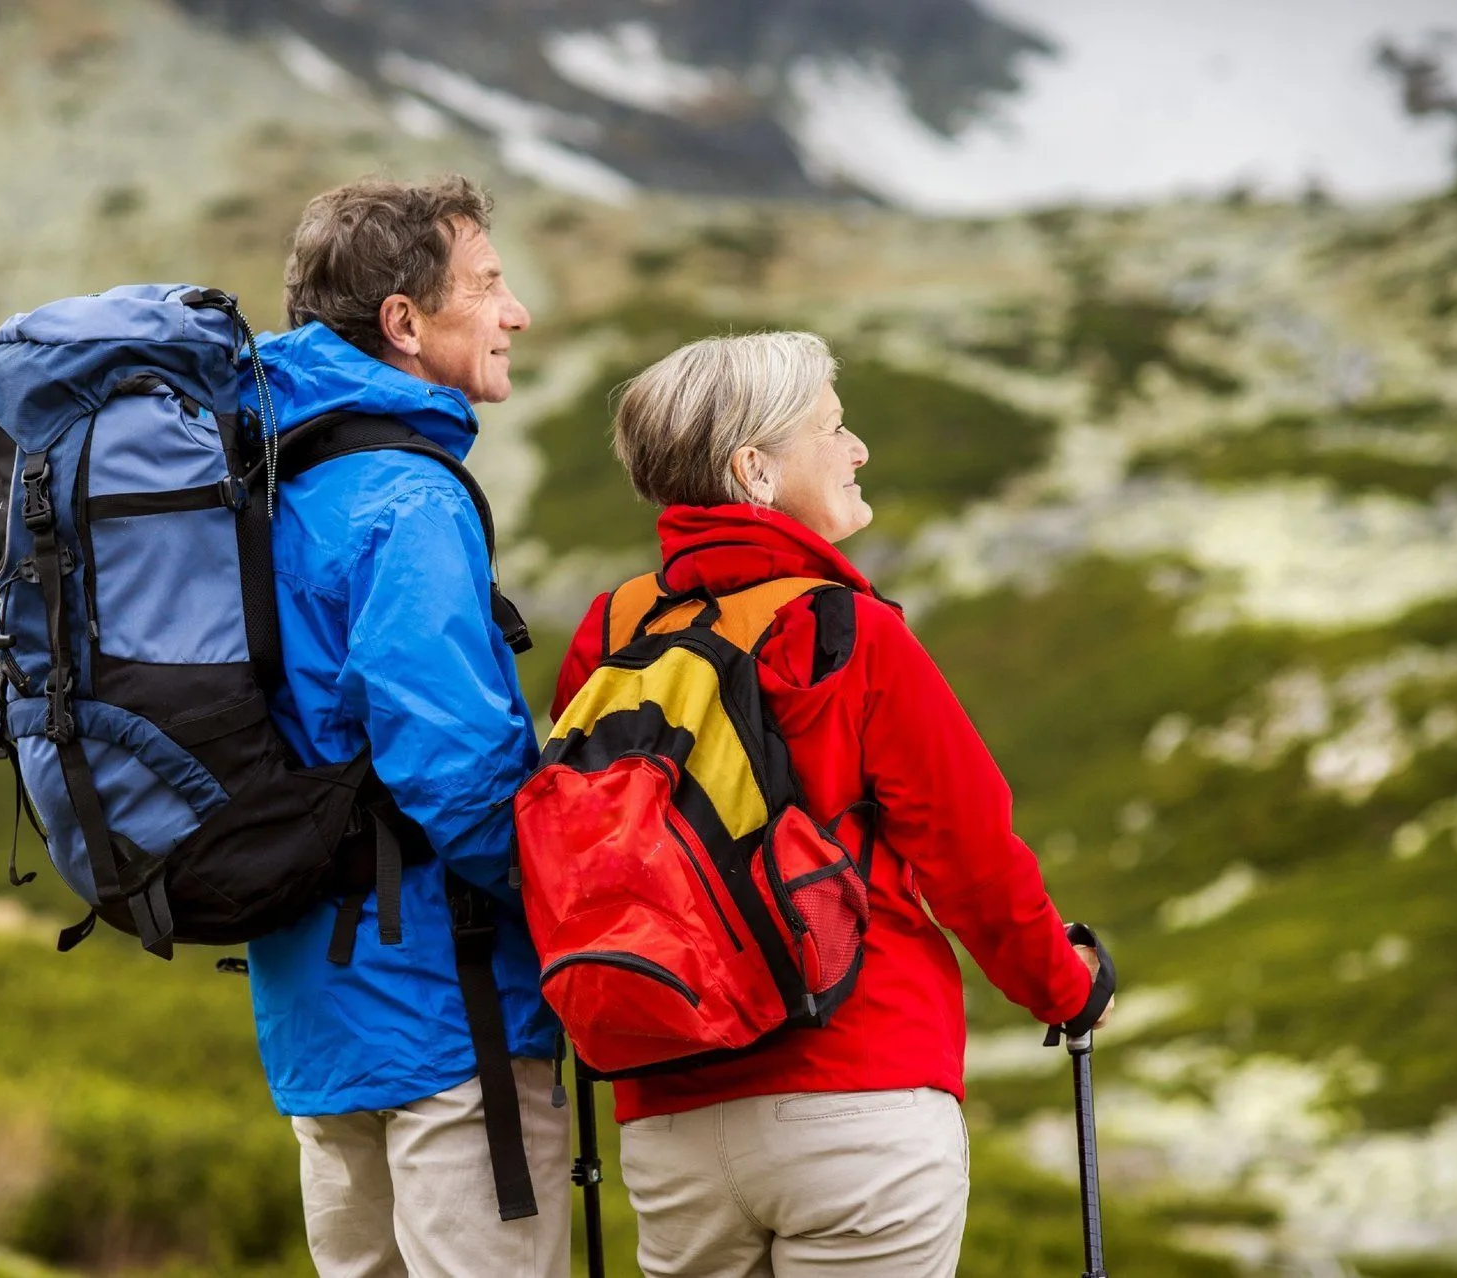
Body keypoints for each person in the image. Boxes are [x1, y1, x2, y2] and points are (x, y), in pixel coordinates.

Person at [549, 332, 1112, 1278]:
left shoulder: (612, 635)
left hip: (671, 1120)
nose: (857, 451)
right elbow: (972, 858)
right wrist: (1067, 986)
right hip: (861, 1100)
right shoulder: (848, 631)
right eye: (834, 429)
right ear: (754, 469)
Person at [240, 175, 568, 1278]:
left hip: (319, 1016)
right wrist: (575, 906)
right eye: (487, 284)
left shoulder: (270, 483)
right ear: (405, 323)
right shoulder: (407, 498)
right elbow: (457, 765)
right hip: (449, 1005)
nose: (514, 311)